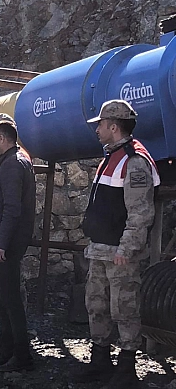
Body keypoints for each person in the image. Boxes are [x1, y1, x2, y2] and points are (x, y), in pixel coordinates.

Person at [75, 100, 160, 388]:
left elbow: (140, 212)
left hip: (118, 253)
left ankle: (126, 369)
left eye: (100, 124)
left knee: (124, 308)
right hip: (100, 249)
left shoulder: (134, 161)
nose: (97, 130)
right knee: (96, 305)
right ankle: (100, 360)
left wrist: (127, 249)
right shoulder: (111, 158)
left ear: (113, 126)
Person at [0, 115, 36, 372]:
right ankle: (8, 344)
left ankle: (19, 354)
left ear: (2, 139)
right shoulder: (12, 161)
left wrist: (0, 243)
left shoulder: (12, 165)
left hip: (9, 243)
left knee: (10, 299)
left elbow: (12, 209)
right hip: (8, 240)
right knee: (2, 296)